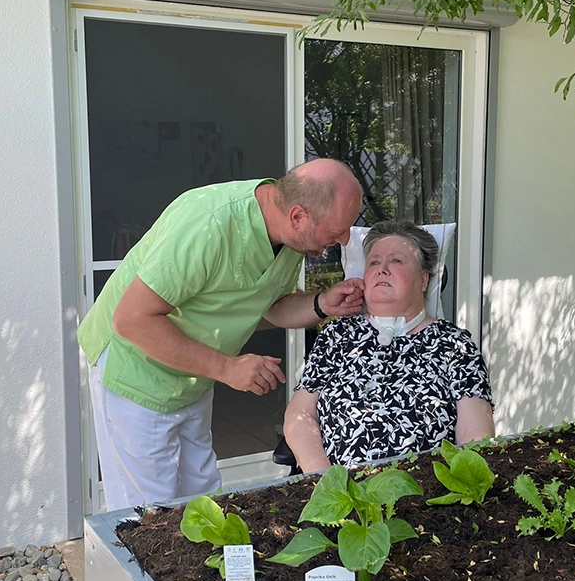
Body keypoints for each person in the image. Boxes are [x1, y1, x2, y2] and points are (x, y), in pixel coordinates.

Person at [78, 159, 365, 511]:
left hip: (194, 372)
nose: (345, 239)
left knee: (203, 498)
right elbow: (132, 319)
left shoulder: (292, 239)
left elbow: (271, 303)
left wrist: (321, 303)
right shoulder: (208, 224)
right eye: (338, 230)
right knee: (148, 517)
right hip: (134, 368)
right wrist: (228, 368)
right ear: (298, 217)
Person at [285, 220, 495, 472]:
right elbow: (299, 416)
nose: (382, 269)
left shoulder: (454, 345)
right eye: (374, 262)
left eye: (396, 261)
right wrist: (325, 481)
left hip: (423, 496)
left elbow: (476, 434)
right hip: (341, 496)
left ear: (423, 280)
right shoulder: (337, 335)